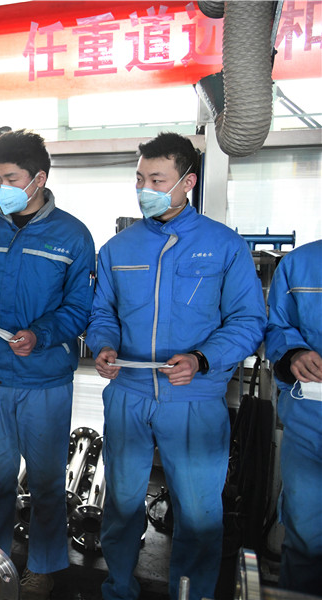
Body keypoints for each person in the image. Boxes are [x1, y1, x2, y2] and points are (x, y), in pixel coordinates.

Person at [86, 132, 267, 600]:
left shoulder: (224, 246)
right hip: (128, 393)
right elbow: (102, 312)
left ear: (186, 182)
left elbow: (249, 321)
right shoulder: (118, 248)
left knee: (199, 513)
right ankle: (119, 587)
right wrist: (102, 345)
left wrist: (203, 359)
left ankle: (190, 594)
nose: (144, 187)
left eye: (156, 179)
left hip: (194, 399)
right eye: (140, 178)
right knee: (122, 505)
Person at [0, 129, 95, 599]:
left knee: (45, 482)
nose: (2, 187)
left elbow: (79, 309)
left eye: (11, 177)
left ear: (38, 179)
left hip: (44, 380)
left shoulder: (73, 236)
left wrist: (41, 335)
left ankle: (43, 566)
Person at [264, 239, 322, 595]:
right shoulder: (300, 265)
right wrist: (294, 354)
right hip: (309, 420)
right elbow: (276, 327)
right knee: (305, 533)